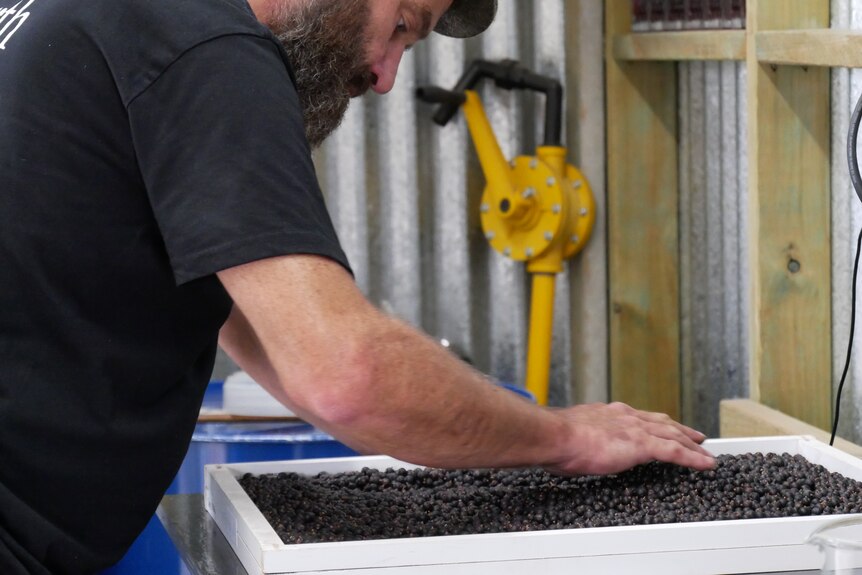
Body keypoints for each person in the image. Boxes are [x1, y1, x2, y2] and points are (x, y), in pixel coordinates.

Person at [0, 0, 715, 572]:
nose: (384, 77)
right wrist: (566, 436)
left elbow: (242, 307)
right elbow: (347, 375)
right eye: (403, 27)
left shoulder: (102, 16)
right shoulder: (208, 47)